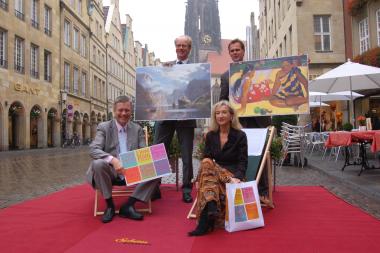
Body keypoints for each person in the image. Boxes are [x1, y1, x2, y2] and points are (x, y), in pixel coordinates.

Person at [86, 96, 160, 223]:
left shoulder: (137, 129)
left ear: (131, 111)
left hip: (132, 170)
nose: (124, 113)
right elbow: (93, 149)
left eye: (127, 110)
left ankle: (129, 205)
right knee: (97, 164)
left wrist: (157, 159)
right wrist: (114, 161)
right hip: (111, 171)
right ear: (114, 111)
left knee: (158, 167)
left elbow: (144, 152)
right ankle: (109, 205)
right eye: (120, 110)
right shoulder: (104, 127)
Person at [188, 100, 248, 236]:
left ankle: (205, 221)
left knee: (207, 167)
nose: (220, 116)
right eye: (217, 113)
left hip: (233, 176)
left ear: (231, 115)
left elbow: (243, 162)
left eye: (224, 112)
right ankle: (211, 206)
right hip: (215, 175)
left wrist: (237, 177)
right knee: (206, 163)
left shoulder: (240, 136)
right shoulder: (210, 136)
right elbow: (207, 158)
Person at [153, 35, 196, 203]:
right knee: (158, 152)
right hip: (166, 115)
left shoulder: (196, 69)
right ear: (175, 47)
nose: (181, 48)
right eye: (178, 45)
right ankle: (154, 187)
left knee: (187, 155)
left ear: (189, 48)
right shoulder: (167, 67)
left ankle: (187, 189)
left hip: (186, 116)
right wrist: (161, 73)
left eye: (184, 45)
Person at [219, 38, 271, 128]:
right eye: (232, 51)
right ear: (230, 54)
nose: (235, 52)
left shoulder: (258, 69)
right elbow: (223, 101)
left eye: (237, 50)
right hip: (238, 122)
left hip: (259, 119)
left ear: (243, 51)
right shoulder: (225, 76)